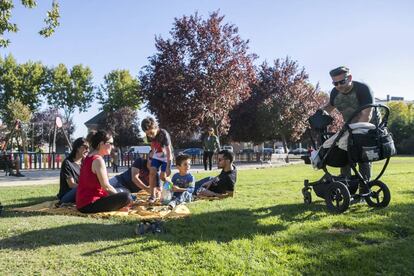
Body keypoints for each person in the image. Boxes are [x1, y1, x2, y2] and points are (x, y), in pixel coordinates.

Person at [322, 66, 374, 187]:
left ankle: (365, 188)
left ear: (349, 77)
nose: (339, 85)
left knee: (362, 157)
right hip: (350, 127)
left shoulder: (362, 89)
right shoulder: (335, 92)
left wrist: (356, 136)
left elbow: (367, 114)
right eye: (335, 83)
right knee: (342, 151)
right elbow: (329, 107)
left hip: (368, 126)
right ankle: (346, 185)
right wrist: (318, 114)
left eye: (342, 81)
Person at [76, 130, 131, 213]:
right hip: (89, 204)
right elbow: (106, 187)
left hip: (83, 203)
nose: (112, 147)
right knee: (127, 197)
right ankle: (120, 205)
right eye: (110, 143)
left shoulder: (89, 157)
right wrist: (120, 200)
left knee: (123, 191)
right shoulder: (98, 160)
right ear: (101, 144)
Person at [141, 117, 173, 203]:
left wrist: (168, 167)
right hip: (157, 156)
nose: (150, 135)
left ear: (155, 127)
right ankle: (152, 196)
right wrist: (150, 159)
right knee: (152, 172)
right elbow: (152, 146)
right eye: (148, 134)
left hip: (166, 157)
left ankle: (169, 188)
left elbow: (169, 151)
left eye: (151, 133)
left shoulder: (163, 134)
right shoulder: (149, 135)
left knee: (163, 177)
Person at [56, 138, 89, 204]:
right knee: (80, 188)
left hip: (80, 192)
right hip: (67, 195)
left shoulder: (84, 162)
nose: (87, 150)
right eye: (85, 147)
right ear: (77, 148)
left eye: (88, 148)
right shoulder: (67, 163)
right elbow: (71, 185)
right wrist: (87, 188)